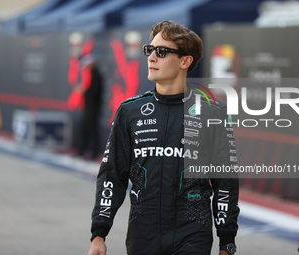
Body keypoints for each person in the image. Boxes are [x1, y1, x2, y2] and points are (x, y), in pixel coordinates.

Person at [88, 20, 239, 255]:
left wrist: (227, 242)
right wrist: (99, 234)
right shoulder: (129, 111)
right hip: (143, 234)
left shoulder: (213, 112)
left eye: (162, 51)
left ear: (185, 61)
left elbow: (225, 183)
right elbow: (112, 176)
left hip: (192, 233)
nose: (151, 58)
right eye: (150, 50)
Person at [76, 55, 103, 160]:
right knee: (86, 129)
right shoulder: (92, 73)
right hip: (90, 107)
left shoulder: (96, 74)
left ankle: (93, 153)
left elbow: (94, 91)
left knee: (92, 130)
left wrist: (84, 90)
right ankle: (84, 151)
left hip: (93, 108)